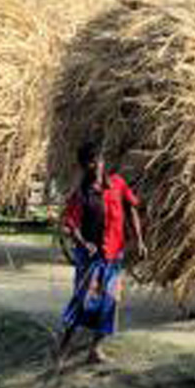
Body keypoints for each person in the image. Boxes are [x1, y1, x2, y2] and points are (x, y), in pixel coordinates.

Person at [55, 138, 145, 367]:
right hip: (91, 259)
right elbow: (71, 225)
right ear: (87, 165)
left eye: (98, 161)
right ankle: (62, 351)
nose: (97, 166)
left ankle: (94, 350)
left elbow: (131, 207)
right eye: (92, 163)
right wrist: (84, 243)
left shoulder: (117, 184)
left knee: (109, 304)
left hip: (114, 256)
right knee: (82, 304)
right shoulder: (82, 195)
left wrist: (139, 239)